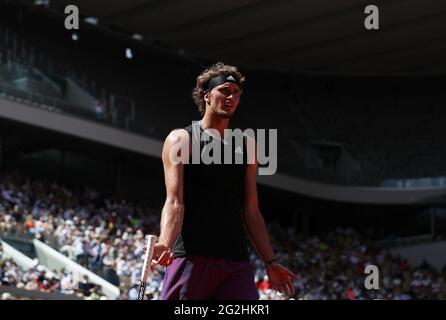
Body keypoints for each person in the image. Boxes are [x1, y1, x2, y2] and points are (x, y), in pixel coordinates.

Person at [146, 62, 297, 300]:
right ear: (207, 96)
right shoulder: (181, 139)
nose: (231, 97)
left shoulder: (248, 147)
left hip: (235, 261)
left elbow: (251, 210)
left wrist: (271, 262)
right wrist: (165, 243)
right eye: (225, 90)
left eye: (236, 93)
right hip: (191, 256)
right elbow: (175, 202)